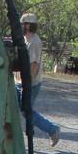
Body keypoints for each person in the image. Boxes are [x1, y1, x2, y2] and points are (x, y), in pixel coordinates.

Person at [17, 13, 60, 146]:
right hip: (21, 82)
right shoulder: (26, 39)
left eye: (22, 24)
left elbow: (34, 65)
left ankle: (52, 129)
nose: (20, 27)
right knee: (21, 109)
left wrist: (26, 84)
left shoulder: (35, 42)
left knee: (26, 110)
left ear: (28, 25)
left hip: (30, 83)